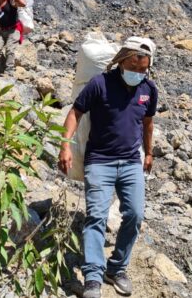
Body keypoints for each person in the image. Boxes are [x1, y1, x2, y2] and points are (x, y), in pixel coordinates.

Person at [59, 37, 158, 298]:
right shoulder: (99, 84)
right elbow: (75, 113)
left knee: (135, 215)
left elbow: (148, 123)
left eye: (143, 69)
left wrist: (149, 153)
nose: (138, 73)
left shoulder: (149, 89)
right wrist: (65, 146)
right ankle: (92, 276)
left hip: (130, 162)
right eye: (134, 67)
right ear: (122, 61)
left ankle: (116, 268)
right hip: (100, 160)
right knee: (96, 217)